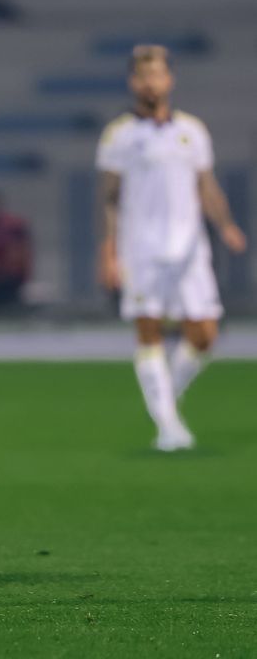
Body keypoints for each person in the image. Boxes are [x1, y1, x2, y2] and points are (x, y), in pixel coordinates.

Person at [96, 45, 247, 451]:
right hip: (141, 247)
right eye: (143, 76)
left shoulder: (193, 131)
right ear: (133, 83)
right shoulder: (120, 135)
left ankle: (165, 399)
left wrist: (227, 225)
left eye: (157, 75)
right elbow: (111, 197)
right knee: (150, 332)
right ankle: (167, 425)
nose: (151, 83)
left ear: (169, 80)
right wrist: (109, 250)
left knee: (204, 334)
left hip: (191, 246)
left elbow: (205, 184)